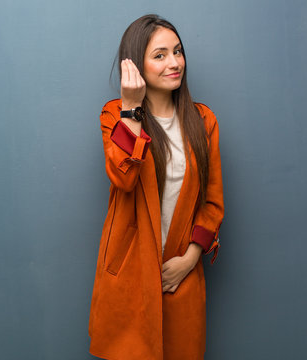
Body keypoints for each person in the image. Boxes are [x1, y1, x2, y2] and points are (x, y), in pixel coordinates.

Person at [88, 14, 224, 360]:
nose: (174, 62)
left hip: (180, 272)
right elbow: (123, 178)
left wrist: (191, 258)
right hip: (132, 274)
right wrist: (132, 109)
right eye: (160, 55)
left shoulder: (203, 120)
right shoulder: (114, 114)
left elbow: (212, 201)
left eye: (177, 52)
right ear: (136, 65)